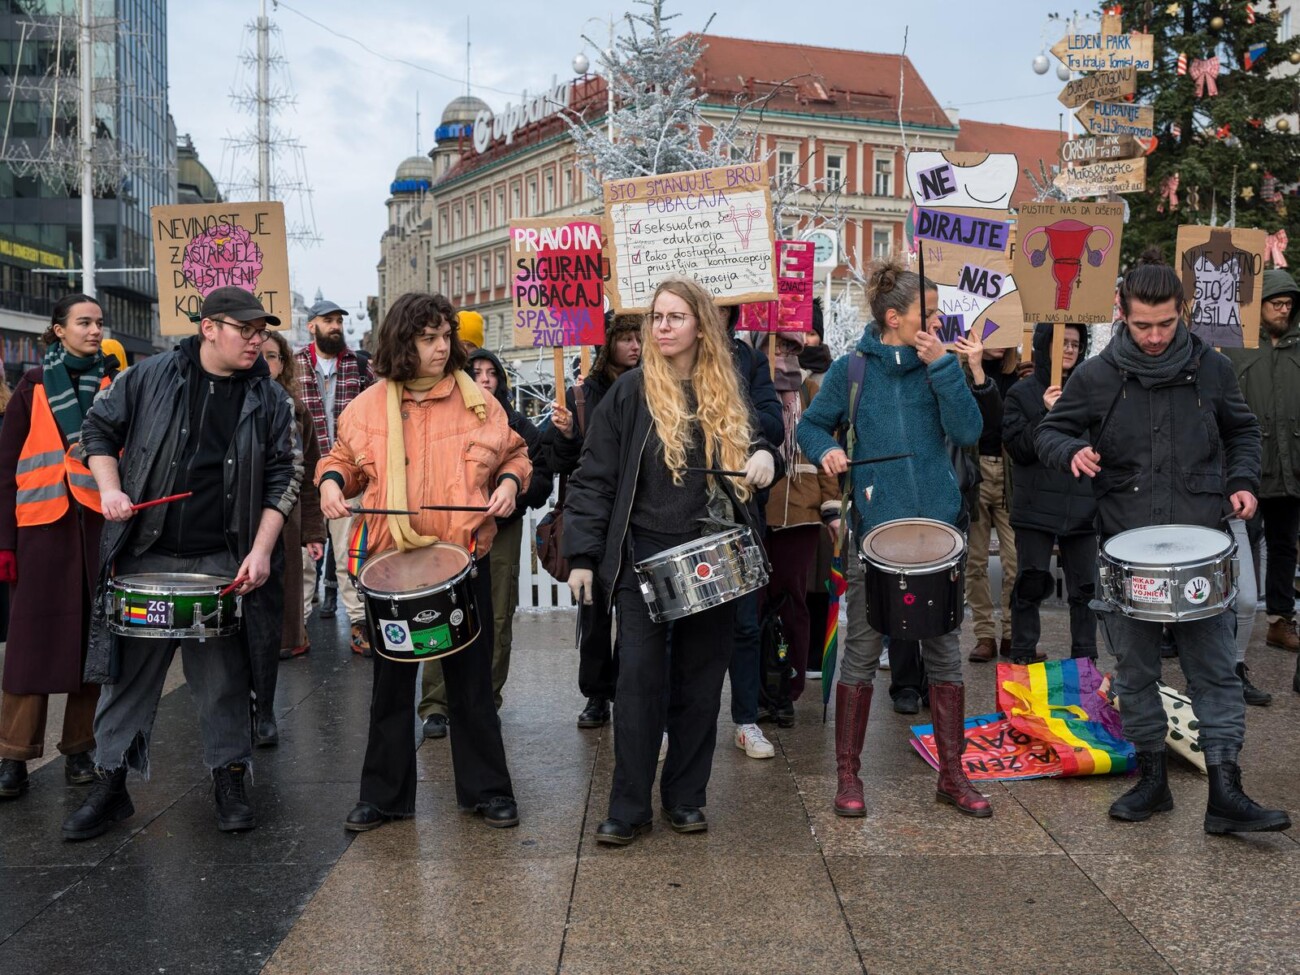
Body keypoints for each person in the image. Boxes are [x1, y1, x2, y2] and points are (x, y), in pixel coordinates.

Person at [1036, 256, 1290, 834]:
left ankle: (1227, 790)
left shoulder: (1213, 370)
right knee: (1134, 671)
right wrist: (1070, 452)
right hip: (1125, 545)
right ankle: (1153, 781)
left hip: (1202, 543)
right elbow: (1050, 431)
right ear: (1122, 315)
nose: (1154, 337)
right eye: (1142, 325)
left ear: (1184, 314)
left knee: (1216, 671)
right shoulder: (1097, 375)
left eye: (1166, 325)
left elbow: (1243, 431)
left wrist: (1244, 482)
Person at [62, 287, 302, 840]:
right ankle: (111, 781)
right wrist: (110, 490)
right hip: (146, 549)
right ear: (209, 328)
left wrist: (261, 549)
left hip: (224, 553)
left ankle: (229, 775)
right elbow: (96, 430)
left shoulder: (269, 399)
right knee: (128, 676)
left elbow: (285, 476)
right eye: (246, 330)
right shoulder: (148, 377)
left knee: (223, 677)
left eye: (262, 331)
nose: (257, 340)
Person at [563, 277, 778, 845]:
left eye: (674, 317)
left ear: (700, 325)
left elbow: (767, 439)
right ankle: (629, 807)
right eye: (656, 316)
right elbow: (594, 478)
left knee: (700, 684)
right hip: (644, 559)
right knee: (637, 685)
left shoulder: (727, 390)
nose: (660, 326)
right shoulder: (630, 391)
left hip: (713, 558)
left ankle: (685, 798)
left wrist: (763, 456)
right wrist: (583, 555)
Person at [318, 292, 528, 832]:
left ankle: (486, 791)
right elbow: (341, 460)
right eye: (429, 338)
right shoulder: (366, 408)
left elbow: (515, 454)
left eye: (446, 336)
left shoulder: (479, 401)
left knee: (472, 686)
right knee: (390, 689)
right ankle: (384, 797)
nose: (442, 347)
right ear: (402, 343)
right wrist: (332, 484)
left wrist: (507, 484)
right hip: (394, 567)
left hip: (464, 563)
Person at [797, 257, 991, 820]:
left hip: (937, 535)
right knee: (861, 651)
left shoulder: (940, 364)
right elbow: (811, 424)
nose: (937, 320)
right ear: (893, 318)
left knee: (943, 655)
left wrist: (945, 370)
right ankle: (848, 776)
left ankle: (952, 775)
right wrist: (825, 450)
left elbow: (968, 432)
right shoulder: (853, 370)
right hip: (874, 535)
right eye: (925, 312)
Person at [0, 295, 117, 799]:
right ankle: (12, 757)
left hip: (96, 532)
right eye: (84, 322)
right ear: (58, 329)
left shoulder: (115, 385)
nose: (94, 330)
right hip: (40, 532)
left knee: (91, 646)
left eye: (98, 323)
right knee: (29, 649)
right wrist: (5, 543)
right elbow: (6, 471)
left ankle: (80, 750)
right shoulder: (31, 386)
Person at [417, 346, 553, 738]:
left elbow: (539, 476)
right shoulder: (447, 420)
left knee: (496, 614)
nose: (485, 379)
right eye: (476, 372)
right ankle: (436, 705)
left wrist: (511, 498)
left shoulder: (519, 425)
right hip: (449, 531)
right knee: (441, 612)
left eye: (492, 372)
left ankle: (486, 700)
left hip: (502, 531)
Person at [547, 314, 642, 728]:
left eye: (639, 337)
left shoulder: (656, 386)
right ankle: (597, 694)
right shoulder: (582, 394)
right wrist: (566, 435)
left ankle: (630, 690)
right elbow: (565, 465)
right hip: (599, 513)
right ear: (608, 345)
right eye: (625, 338)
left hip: (639, 512)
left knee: (638, 612)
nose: (635, 345)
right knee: (595, 612)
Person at [755, 330, 840, 722]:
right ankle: (758, 688)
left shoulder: (809, 391)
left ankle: (787, 690)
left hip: (801, 512)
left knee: (793, 603)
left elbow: (824, 446)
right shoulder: (748, 386)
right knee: (754, 607)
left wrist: (831, 506)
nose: (784, 355)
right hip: (755, 511)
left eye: (791, 348)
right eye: (778, 346)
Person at [1001, 323, 1098, 664]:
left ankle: (1085, 662)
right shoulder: (1021, 393)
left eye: (1076, 343)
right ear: (1045, 346)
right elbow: (1018, 449)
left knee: (1086, 590)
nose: (1070, 349)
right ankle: (1023, 655)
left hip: (1083, 507)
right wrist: (1045, 412)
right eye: (1062, 343)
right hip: (1036, 508)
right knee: (1029, 585)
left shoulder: (1092, 390)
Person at [1225, 271, 1300, 658]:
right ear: (1261, 306)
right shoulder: (1236, 347)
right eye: (1277, 303)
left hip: (1292, 467)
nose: (1284, 309)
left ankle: (1280, 619)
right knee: (1243, 545)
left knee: (1286, 544)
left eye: (1289, 303)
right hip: (1250, 468)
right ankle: (1232, 623)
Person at [294, 298, 374, 651]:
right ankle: (298, 627)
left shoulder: (358, 366)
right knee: (303, 558)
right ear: (312, 326)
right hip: (302, 475)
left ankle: (359, 623)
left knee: (349, 554)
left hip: (348, 474)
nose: (336, 327)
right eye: (328, 321)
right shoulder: (295, 365)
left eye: (339, 320)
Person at [261, 331, 325, 665]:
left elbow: (311, 474)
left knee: (285, 599)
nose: (264, 361)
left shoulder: (298, 412)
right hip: (240, 521)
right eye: (258, 353)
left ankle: (286, 642)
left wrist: (313, 532)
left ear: (284, 363)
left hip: (287, 520)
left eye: (272, 355)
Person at [964, 344, 1020, 663]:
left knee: (1014, 561)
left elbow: (1008, 419)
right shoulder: (961, 372)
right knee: (975, 561)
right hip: (974, 471)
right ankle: (984, 635)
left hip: (1009, 472)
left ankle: (1011, 634)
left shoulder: (1018, 371)